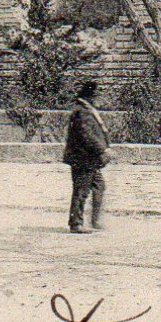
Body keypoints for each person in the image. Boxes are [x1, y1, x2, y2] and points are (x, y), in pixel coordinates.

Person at [62, 81, 110, 234]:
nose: (98, 98)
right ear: (89, 96)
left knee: (99, 186)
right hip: (83, 159)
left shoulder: (86, 110)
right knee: (81, 190)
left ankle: (94, 221)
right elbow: (87, 135)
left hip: (89, 160)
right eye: (96, 95)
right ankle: (76, 224)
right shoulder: (81, 112)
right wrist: (103, 150)